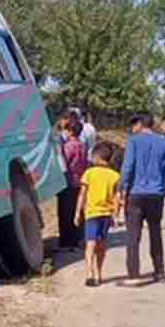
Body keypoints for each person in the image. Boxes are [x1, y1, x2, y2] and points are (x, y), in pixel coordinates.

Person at [119, 113, 165, 283]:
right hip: (156, 194)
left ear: (140, 124)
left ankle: (133, 275)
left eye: (134, 124)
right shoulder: (164, 142)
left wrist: (121, 189)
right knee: (155, 232)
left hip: (136, 194)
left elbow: (128, 167)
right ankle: (159, 272)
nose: (133, 128)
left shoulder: (134, 141)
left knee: (133, 235)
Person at [76, 141, 121, 287]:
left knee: (90, 245)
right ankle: (98, 274)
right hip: (106, 215)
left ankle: (89, 274)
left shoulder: (89, 173)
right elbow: (116, 198)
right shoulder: (115, 175)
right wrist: (116, 214)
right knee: (101, 246)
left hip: (92, 214)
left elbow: (82, 194)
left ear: (97, 157)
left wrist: (77, 212)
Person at [57, 119, 89, 251]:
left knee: (66, 213)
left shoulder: (68, 147)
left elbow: (64, 164)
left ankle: (67, 242)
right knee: (78, 211)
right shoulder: (82, 145)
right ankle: (78, 239)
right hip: (80, 182)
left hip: (69, 183)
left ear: (70, 131)